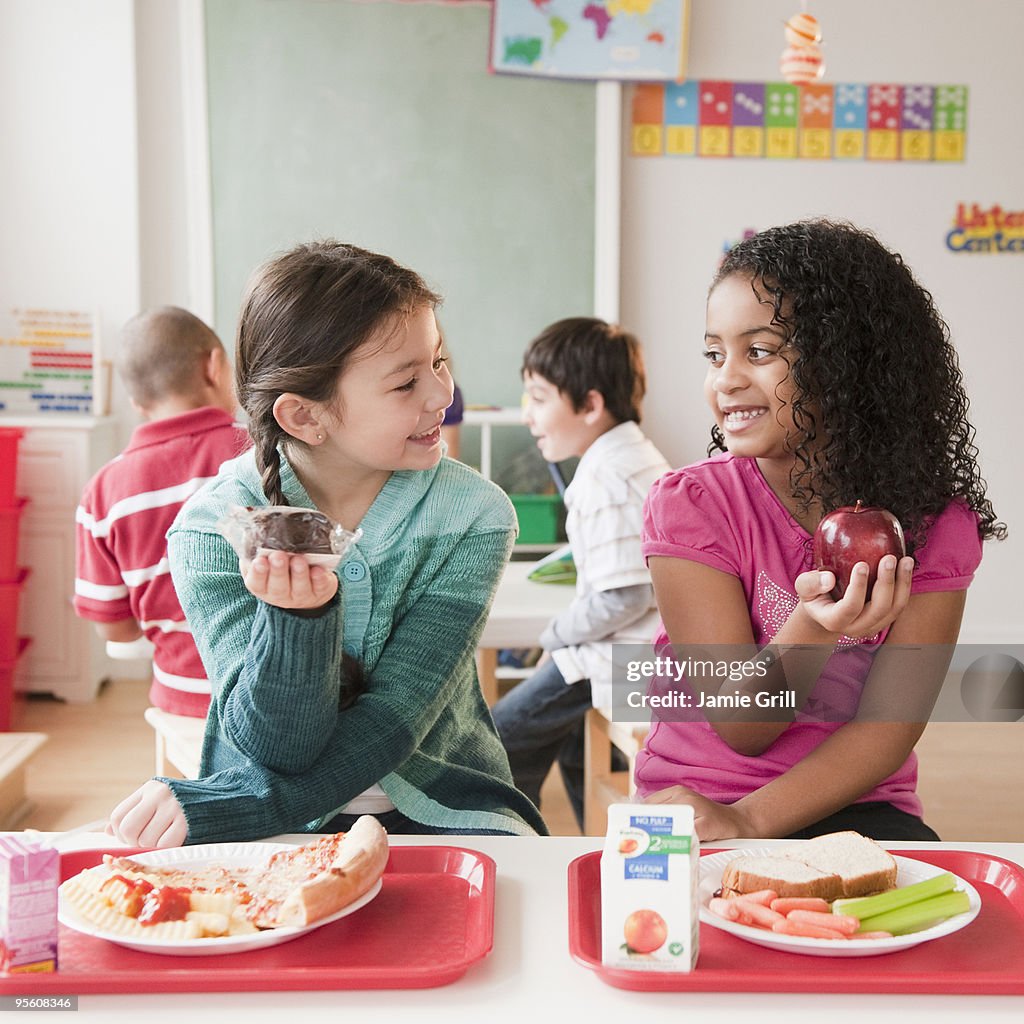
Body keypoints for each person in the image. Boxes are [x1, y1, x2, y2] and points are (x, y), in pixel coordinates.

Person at [106, 240, 547, 847]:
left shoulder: (472, 515)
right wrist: (298, 619)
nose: (443, 394)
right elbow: (273, 748)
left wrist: (239, 808)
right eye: (404, 384)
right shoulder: (211, 532)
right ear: (305, 417)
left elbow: (395, 721)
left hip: (446, 813)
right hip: (280, 832)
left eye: (439, 361)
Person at [636, 219, 1006, 842]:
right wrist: (814, 625)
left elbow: (887, 730)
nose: (725, 378)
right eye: (713, 353)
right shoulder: (693, 505)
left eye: (759, 351)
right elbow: (743, 725)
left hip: (856, 804)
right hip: (707, 800)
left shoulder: (935, 524)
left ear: (846, 365)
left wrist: (756, 822)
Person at [491, 318, 670, 831]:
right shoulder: (635, 455)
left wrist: (553, 633)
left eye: (539, 397)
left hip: (620, 655)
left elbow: (624, 595)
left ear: (590, 406)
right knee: (569, 743)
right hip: (634, 650)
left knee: (499, 737)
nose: (528, 415)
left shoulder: (604, 477)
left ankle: (516, 840)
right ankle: (595, 841)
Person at [74, 306, 247, 718]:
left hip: (181, 700)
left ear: (135, 401)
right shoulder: (264, 452)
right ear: (215, 366)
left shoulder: (103, 491)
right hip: (280, 693)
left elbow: (114, 627)